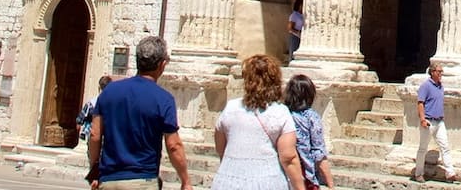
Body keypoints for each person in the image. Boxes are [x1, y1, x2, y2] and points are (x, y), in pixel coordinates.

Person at [86, 36, 193, 190]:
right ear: (162, 65)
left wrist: (94, 169)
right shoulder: (163, 99)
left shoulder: (109, 91)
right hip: (142, 180)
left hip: (109, 179)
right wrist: (185, 180)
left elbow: (95, 134)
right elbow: (173, 145)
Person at [211, 54, 306, 190]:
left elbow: (220, 146)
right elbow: (288, 157)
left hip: (228, 179)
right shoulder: (280, 112)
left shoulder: (231, 108)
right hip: (267, 181)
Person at [286, 75, 334, 190]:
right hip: (305, 176)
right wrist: (331, 184)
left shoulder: (281, 113)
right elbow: (319, 153)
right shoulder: (312, 117)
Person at [413, 63, 458, 182]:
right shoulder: (425, 86)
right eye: (439, 71)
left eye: (442, 71)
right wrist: (422, 119)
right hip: (428, 121)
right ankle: (419, 174)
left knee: (445, 146)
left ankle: (450, 172)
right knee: (423, 148)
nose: (441, 74)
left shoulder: (441, 87)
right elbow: (420, 103)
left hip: (439, 121)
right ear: (432, 72)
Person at [79, 75, 115, 144]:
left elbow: (80, 119)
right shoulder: (114, 104)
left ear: (99, 88)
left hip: (93, 136)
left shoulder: (92, 103)